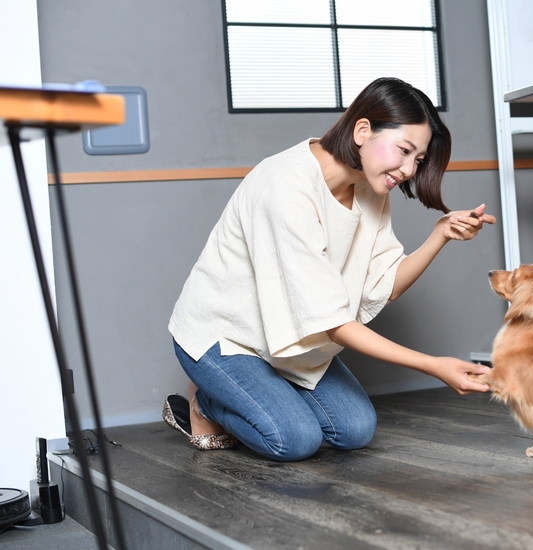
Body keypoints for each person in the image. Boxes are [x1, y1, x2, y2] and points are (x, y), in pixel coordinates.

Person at [163, 77, 495, 461]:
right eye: (404, 150)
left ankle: (259, 397)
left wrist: (440, 234)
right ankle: (206, 400)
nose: (407, 169)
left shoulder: (371, 186)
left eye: (417, 160)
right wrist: (433, 365)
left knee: (354, 429)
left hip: (287, 339)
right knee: (294, 440)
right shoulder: (287, 185)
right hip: (223, 339)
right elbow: (333, 322)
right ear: (363, 130)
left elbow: (386, 286)